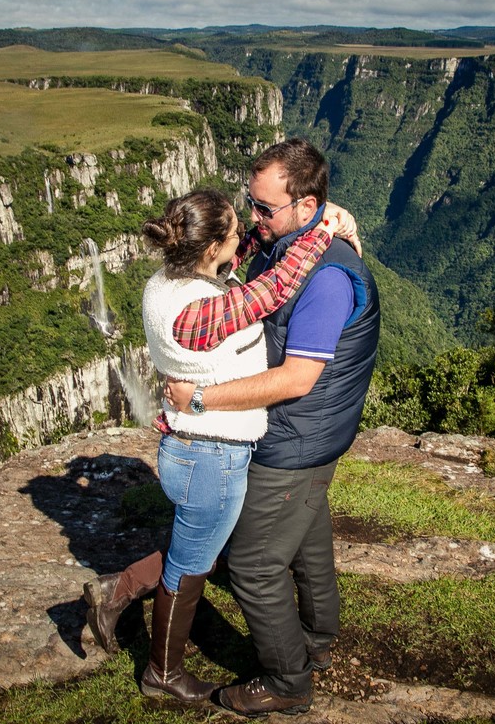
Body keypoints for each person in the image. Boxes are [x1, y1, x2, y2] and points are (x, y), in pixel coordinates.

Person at [81, 187, 354, 703]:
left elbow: (247, 250)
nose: (245, 236)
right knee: (192, 562)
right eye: (233, 232)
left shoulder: (172, 280)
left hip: (197, 450)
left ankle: (115, 592)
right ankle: (162, 673)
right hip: (211, 452)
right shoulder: (196, 313)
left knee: (203, 544)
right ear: (211, 248)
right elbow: (273, 290)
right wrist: (322, 231)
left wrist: (323, 215)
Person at [167, 138, 381, 717]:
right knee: (307, 545)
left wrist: (201, 399)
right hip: (310, 436)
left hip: (294, 437)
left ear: (306, 205)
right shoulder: (291, 246)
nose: (254, 219)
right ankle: (316, 643)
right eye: (251, 204)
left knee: (254, 566)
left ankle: (288, 683)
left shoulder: (327, 278)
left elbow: (296, 380)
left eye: (264, 209)